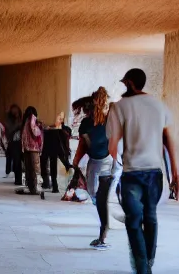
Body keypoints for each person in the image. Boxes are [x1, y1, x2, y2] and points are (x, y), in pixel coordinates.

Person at [107, 68, 178, 274]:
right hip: (155, 172)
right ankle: (149, 262)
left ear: (129, 83)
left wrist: (118, 160)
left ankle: (142, 268)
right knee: (151, 217)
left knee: (134, 222)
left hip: (132, 172)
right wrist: (175, 172)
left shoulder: (120, 107)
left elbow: (113, 144)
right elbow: (168, 140)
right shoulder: (159, 106)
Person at [72, 87, 114, 250]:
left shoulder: (97, 121)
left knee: (97, 197)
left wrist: (76, 161)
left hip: (102, 162)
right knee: (96, 196)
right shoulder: (106, 120)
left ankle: (103, 233)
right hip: (106, 161)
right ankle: (104, 229)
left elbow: (85, 145)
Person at [20, 106, 43, 194]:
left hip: (26, 148)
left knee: (28, 168)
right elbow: (35, 131)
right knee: (36, 169)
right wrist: (40, 127)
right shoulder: (32, 118)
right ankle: (37, 188)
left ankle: (31, 188)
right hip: (34, 147)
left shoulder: (25, 121)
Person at [4, 104, 23, 184]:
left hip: (20, 143)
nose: (16, 113)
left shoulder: (21, 119)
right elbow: (10, 130)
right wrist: (18, 124)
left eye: (17, 111)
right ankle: (17, 179)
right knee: (16, 161)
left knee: (19, 162)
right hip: (13, 143)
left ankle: (19, 179)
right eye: (14, 112)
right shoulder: (9, 120)